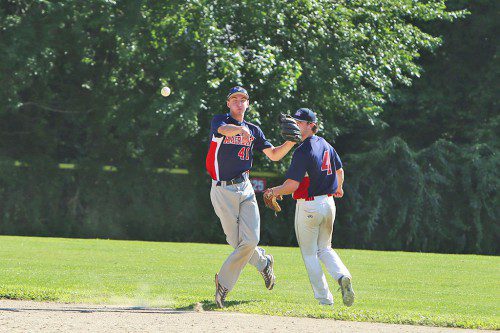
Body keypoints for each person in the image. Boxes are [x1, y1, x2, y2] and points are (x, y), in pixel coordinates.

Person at [205, 86, 296, 308]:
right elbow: (224, 130)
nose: (238, 102)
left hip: (244, 188)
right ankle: (264, 263)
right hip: (222, 190)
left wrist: (292, 142)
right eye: (234, 99)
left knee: (250, 240)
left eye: (242, 99)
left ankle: (223, 285)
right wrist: (238, 131)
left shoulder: (254, 130)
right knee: (236, 242)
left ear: (248, 104)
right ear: (228, 103)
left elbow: (274, 155)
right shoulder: (220, 121)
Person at [263, 108, 355, 307]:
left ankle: (324, 300)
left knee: (310, 253)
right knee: (325, 248)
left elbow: (292, 186)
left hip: (309, 206)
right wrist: (338, 187)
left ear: (311, 126)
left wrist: (273, 191)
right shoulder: (326, 144)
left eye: (299, 122)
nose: (294, 125)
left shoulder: (303, 150)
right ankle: (342, 276)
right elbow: (339, 170)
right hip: (329, 204)